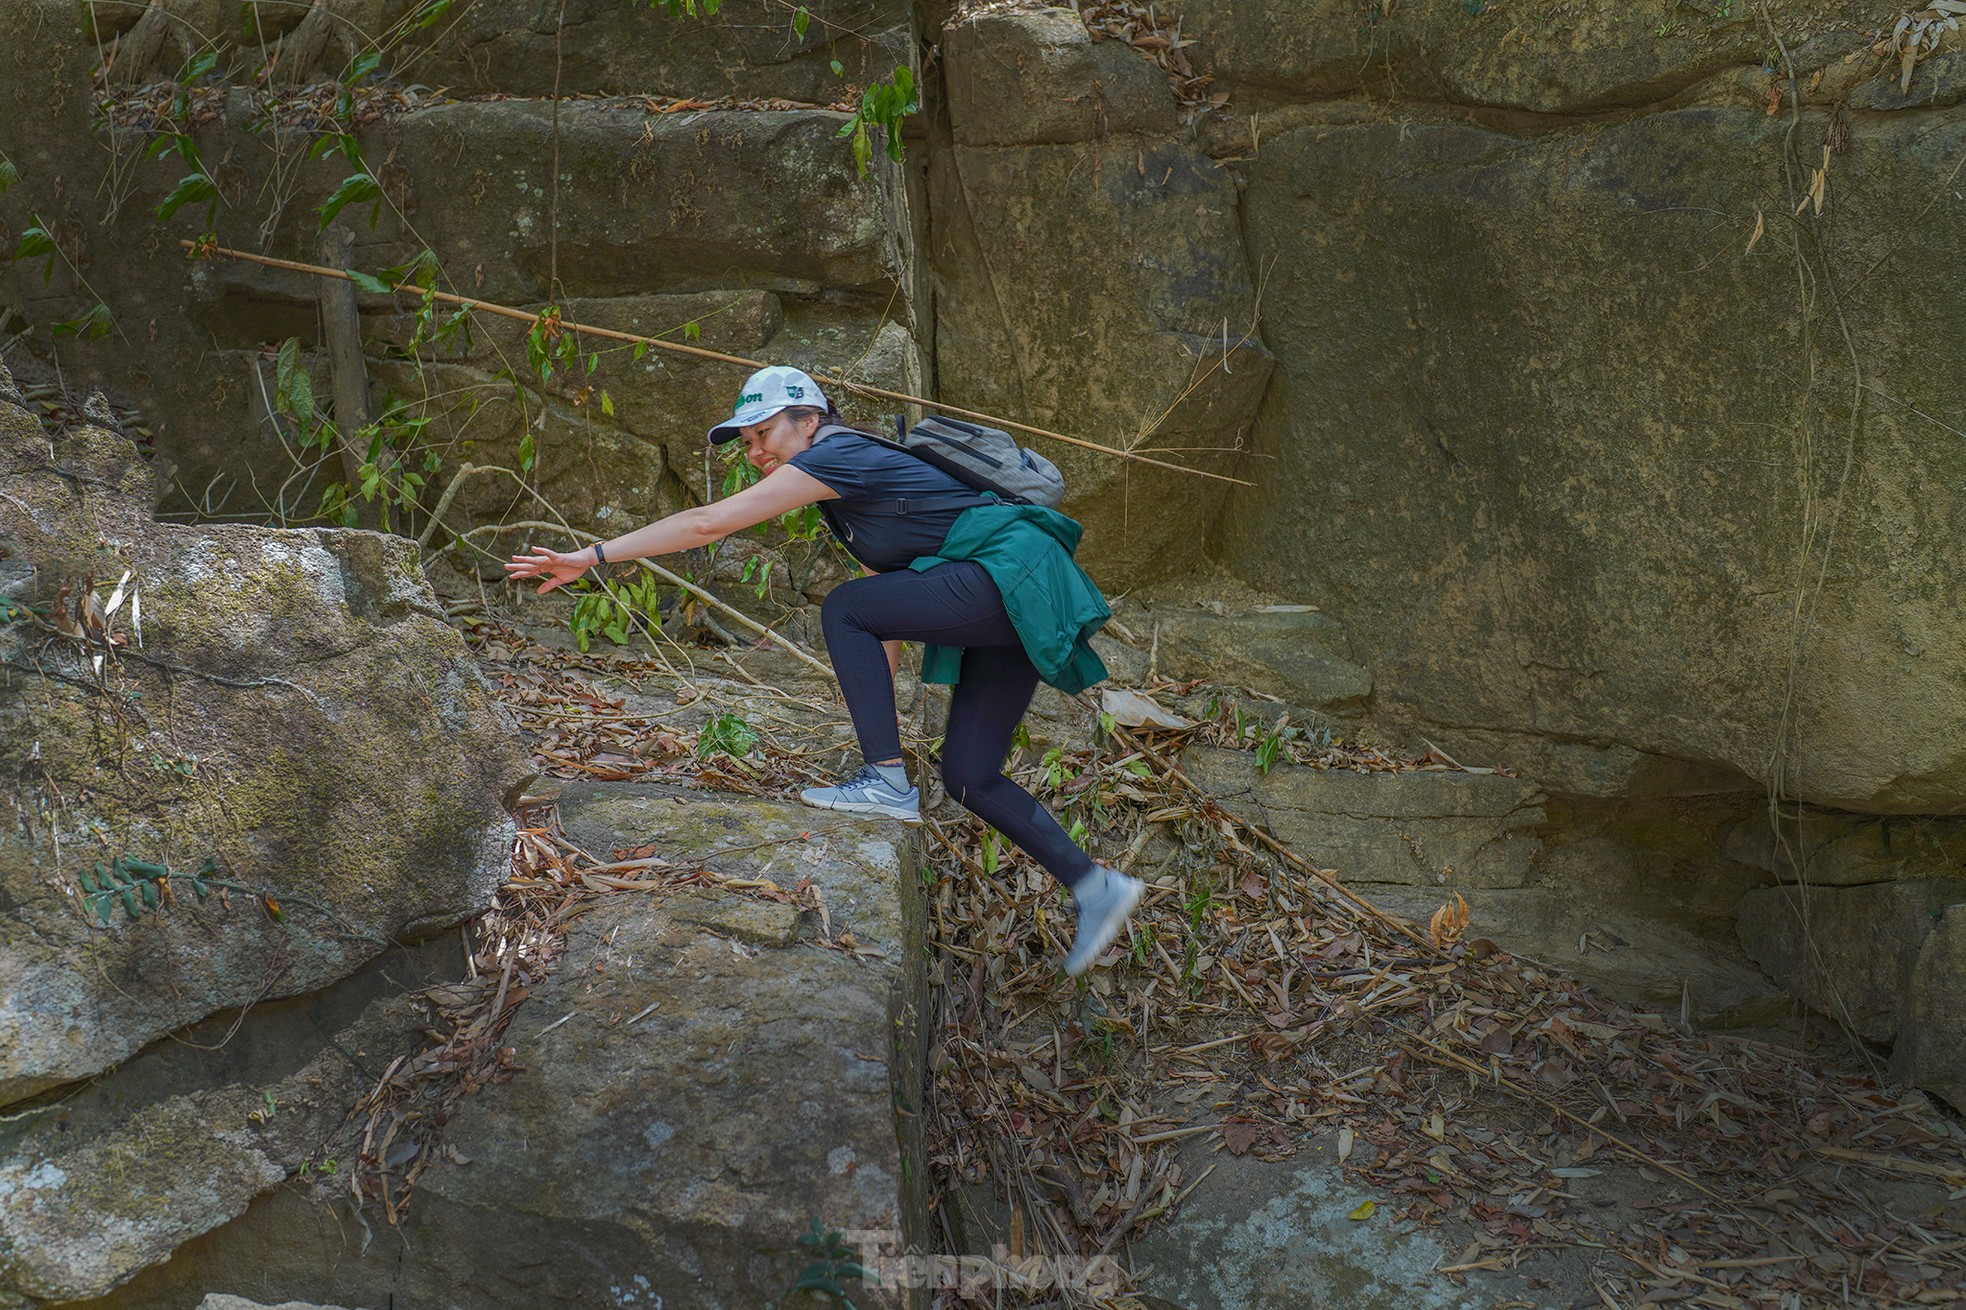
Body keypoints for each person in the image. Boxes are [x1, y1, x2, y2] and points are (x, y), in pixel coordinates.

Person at [506, 365, 1143, 976]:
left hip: (1013, 573)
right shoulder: (856, 499)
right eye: (747, 442)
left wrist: (592, 555)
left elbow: (708, 524)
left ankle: (886, 788)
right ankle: (1095, 885)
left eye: (764, 433)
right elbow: (884, 607)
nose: (755, 452)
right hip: (1021, 592)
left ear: (810, 419)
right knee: (969, 775)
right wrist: (880, 724)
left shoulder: (838, 455)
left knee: (841, 607)